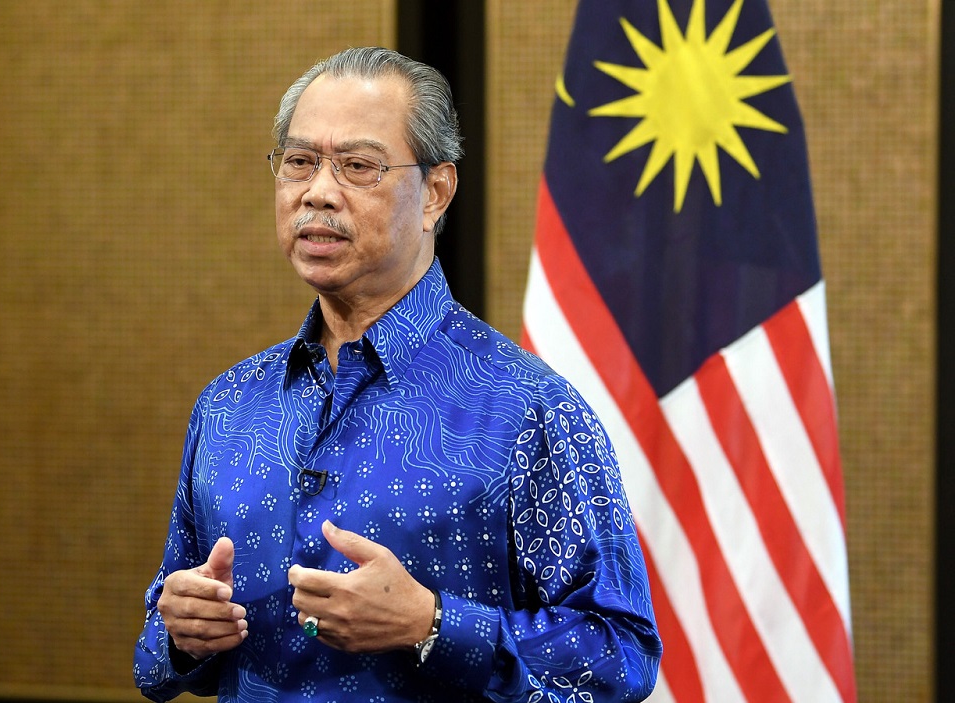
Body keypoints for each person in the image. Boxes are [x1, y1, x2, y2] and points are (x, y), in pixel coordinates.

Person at [133, 46, 662, 702]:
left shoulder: (529, 409)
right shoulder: (229, 404)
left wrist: (433, 624)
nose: (317, 191)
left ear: (435, 192)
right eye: (298, 162)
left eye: (358, 166)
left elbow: (621, 655)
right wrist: (181, 630)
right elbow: (156, 657)